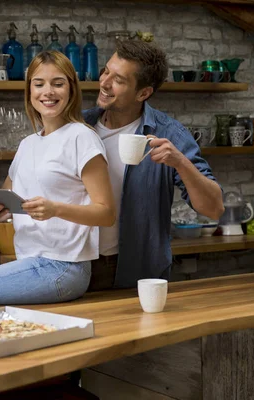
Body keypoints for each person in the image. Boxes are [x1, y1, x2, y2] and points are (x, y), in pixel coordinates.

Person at [0, 51, 115, 309]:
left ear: (71, 89)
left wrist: (55, 209)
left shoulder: (82, 138)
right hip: (29, 262)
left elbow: (106, 214)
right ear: (29, 92)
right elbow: (6, 206)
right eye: (39, 84)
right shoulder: (28, 144)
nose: (47, 91)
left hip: (63, 267)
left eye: (57, 83)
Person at [81, 39, 225, 289]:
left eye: (119, 80)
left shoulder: (170, 135)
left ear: (143, 93)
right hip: (76, 264)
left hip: (137, 270)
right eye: (106, 71)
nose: (104, 83)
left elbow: (213, 208)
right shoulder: (79, 126)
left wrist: (180, 162)